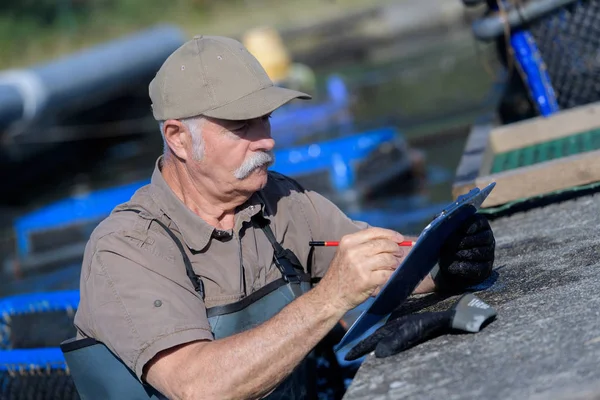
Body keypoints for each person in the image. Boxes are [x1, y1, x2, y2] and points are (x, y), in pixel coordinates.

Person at [69, 35, 495, 400]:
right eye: (241, 126)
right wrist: (330, 298)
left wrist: (446, 258)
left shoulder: (281, 199)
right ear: (178, 138)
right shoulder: (126, 247)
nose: (267, 140)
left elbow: (378, 264)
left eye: (266, 118)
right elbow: (198, 387)